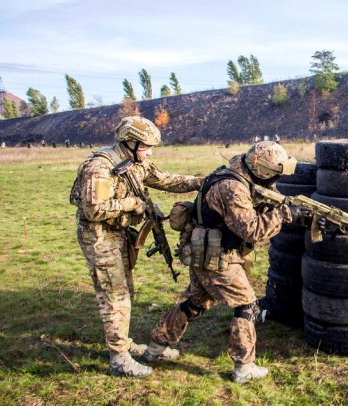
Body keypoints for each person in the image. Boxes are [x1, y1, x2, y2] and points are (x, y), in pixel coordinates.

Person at [143, 141, 305, 384]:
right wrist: (284, 214)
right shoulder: (232, 187)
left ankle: (155, 348)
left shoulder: (235, 174)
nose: (274, 181)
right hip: (218, 257)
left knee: (195, 302)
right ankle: (243, 368)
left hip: (203, 250)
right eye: (272, 174)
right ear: (259, 168)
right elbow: (251, 230)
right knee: (246, 306)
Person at [70, 116, 202, 378]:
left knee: (125, 291)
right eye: (145, 147)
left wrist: (201, 181)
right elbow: (93, 209)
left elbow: (164, 179)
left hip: (118, 233)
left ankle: (124, 344)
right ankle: (119, 359)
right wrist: (131, 204)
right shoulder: (100, 167)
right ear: (130, 142)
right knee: (114, 296)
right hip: (98, 236)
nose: (149, 152)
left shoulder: (134, 163)